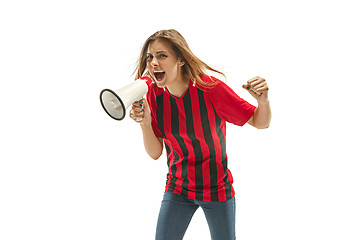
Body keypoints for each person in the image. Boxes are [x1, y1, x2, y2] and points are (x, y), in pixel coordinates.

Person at [129, 29, 271, 240]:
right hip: (178, 188)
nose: (153, 63)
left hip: (216, 189)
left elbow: (260, 122)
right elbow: (155, 152)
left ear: (181, 60)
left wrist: (263, 101)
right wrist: (145, 123)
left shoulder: (210, 88)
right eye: (150, 57)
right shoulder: (154, 95)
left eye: (162, 55)